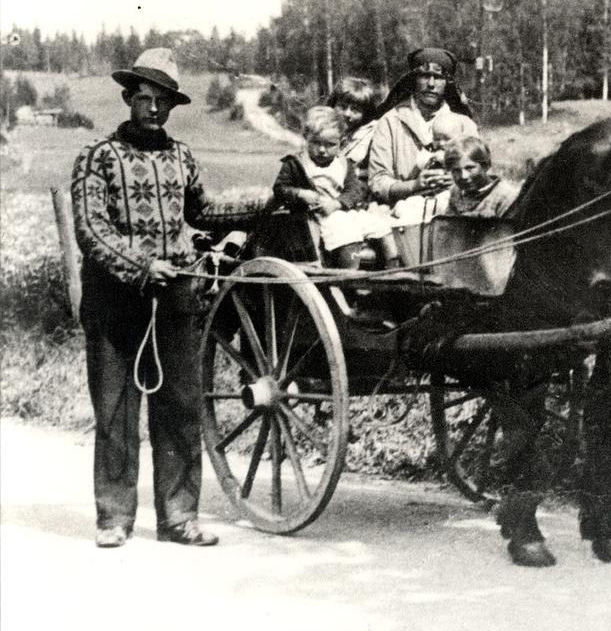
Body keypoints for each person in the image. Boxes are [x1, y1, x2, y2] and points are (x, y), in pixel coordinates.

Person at [71, 48, 262, 548]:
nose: (154, 110)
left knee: (179, 407)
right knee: (116, 410)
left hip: (177, 294)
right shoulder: (98, 158)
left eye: (164, 102)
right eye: (146, 99)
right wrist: (140, 265)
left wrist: (268, 203)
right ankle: (113, 518)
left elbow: (204, 212)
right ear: (128, 98)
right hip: (115, 300)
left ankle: (179, 517)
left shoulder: (180, 158)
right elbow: (91, 229)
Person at [273, 106, 401, 270]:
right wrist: (300, 193)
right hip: (315, 218)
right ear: (306, 138)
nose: (322, 150)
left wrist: (338, 203)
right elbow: (280, 188)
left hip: (342, 210)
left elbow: (355, 191)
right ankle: (349, 273)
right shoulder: (296, 163)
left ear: (340, 142)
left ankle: (393, 266)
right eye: (316, 143)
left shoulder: (342, 164)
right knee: (345, 232)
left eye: (330, 145)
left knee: (379, 225)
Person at [368, 47, 479, 226]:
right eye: (424, 76)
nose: (431, 84)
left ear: (448, 82)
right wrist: (415, 185)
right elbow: (378, 181)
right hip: (403, 214)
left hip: (454, 212)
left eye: (439, 77)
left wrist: (456, 180)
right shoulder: (391, 121)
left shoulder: (464, 124)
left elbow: (481, 171)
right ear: (414, 80)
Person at [443, 136, 520, 218]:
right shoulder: (456, 192)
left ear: (486, 165)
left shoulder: (506, 196)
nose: (463, 176)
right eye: (456, 170)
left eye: (470, 168)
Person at [327, 76, 380, 187]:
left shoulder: (370, 133)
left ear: (366, 112)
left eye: (355, 109)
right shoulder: (328, 130)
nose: (347, 114)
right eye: (342, 106)